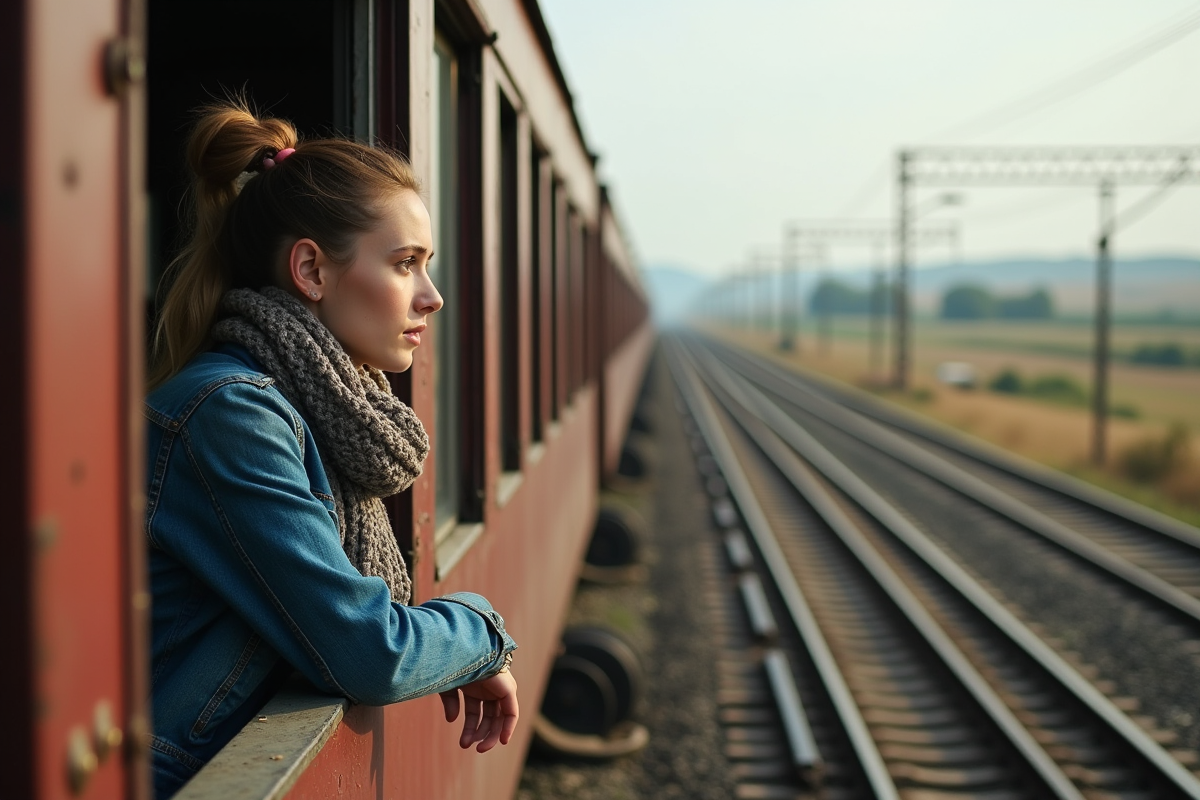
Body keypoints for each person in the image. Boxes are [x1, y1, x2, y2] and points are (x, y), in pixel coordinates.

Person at [144, 101, 518, 798]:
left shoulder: (313, 410)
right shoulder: (232, 415)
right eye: (405, 264)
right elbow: (369, 651)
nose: (432, 297)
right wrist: (480, 633)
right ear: (312, 270)